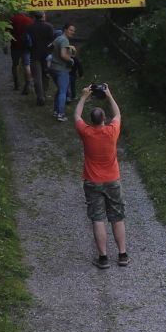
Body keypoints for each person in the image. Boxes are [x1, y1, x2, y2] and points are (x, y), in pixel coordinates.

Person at [73, 83, 128, 268]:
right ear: (104, 119)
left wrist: (83, 96)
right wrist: (109, 95)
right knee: (117, 217)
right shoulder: (112, 131)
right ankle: (122, 255)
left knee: (98, 218)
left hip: (92, 181)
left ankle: (103, 258)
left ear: (91, 120)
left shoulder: (86, 133)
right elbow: (118, 114)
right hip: (113, 180)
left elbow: (76, 116)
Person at [49, 22, 79, 120]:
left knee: (59, 90)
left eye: (73, 31)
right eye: (70, 30)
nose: (72, 32)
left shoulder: (57, 38)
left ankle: (55, 111)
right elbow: (63, 55)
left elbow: (51, 48)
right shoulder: (64, 40)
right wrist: (71, 60)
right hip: (61, 69)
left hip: (53, 68)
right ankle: (61, 114)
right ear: (65, 30)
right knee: (63, 91)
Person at [24, 12, 56, 105]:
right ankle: (44, 94)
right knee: (45, 75)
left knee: (37, 77)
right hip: (46, 55)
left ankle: (40, 96)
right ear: (43, 16)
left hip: (34, 54)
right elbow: (52, 41)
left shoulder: (29, 27)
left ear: (34, 17)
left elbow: (26, 41)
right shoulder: (49, 26)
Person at [8, 9, 33, 93]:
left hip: (15, 46)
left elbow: (7, 33)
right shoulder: (29, 20)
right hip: (26, 46)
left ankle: (16, 83)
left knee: (15, 64)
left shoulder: (12, 19)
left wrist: (5, 44)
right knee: (27, 65)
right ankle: (28, 84)